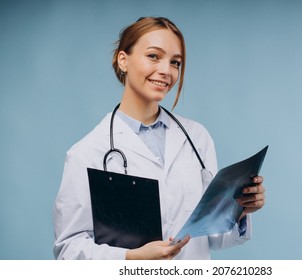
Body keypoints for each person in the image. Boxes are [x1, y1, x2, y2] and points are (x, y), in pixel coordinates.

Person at [53, 16, 265, 260]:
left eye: (175, 62)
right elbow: (68, 252)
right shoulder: (87, 153)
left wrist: (240, 209)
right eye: (154, 56)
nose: (166, 71)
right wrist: (130, 259)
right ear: (123, 60)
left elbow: (213, 234)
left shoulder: (197, 137)